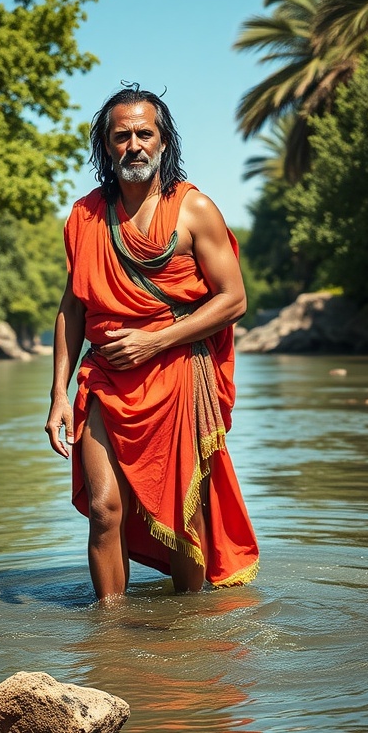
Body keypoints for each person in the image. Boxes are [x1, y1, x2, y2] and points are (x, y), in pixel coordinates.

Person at [45, 86, 259, 600]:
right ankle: (110, 638)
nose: (134, 145)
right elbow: (73, 306)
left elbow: (233, 300)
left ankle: (186, 638)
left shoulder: (195, 209)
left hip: (178, 376)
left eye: (146, 133)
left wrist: (155, 341)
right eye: (122, 136)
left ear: (164, 143)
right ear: (106, 147)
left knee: (185, 515)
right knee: (103, 508)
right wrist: (58, 394)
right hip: (104, 377)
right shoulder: (84, 216)